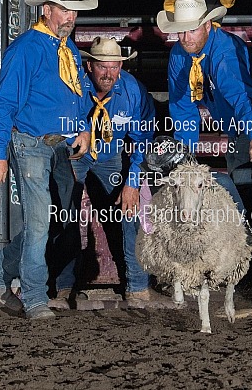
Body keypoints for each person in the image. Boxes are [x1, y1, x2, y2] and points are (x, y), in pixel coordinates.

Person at [156, 0, 252, 305]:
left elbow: (241, 98)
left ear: (206, 26)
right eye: (181, 31)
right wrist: (186, 158)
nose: (185, 38)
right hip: (238, 122)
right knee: (241, 194)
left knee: (244, 191)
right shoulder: (180, 54)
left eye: (191, 31)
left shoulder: (223, 52)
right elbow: (182, 106)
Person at [0, 0, 97, 320]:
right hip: (30, 143)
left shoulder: (68, 49)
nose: (71, 16)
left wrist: (84, 129)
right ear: (46, 10)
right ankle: (34, 297)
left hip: (59, 146)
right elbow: (4, 106)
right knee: (42, 222)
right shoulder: (26, 49)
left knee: (49, 221)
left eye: (73, 10)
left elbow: (80, 98)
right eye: (64, 9)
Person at [49, 37, 161, 307]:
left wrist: (133, 182)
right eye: (102, 67)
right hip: (75, 151)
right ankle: (64, 286)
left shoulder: (133, 92)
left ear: (121, 66)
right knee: (65, 212)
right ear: (90, 67)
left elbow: (143, 139)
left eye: (114, 67)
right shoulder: (73, 85)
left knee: (129, 208)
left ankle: (137, 285)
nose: (109, 74)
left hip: (111, 154)